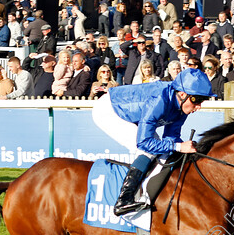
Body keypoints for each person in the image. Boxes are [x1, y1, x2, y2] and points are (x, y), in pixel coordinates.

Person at [91, 68, 216, 215]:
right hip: (109, 110)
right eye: (197, 100)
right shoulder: (159, 100)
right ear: (182, 94)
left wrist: (181, 148)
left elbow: (171, 137)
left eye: (202, 100)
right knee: (149, 150)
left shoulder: (182, 105)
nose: (199, 106)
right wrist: (178, 146)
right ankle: (124, 200)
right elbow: (144, 142)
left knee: (166, 151)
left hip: (131, 114)